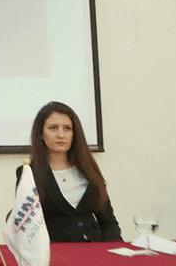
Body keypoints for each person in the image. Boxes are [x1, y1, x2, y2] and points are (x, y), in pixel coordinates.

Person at [18, 101, 121, 242]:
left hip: (94, 248)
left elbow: (109, 222)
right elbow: (26, 223)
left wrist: (112, 250)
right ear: (41, 133)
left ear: (74, 133)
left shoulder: (88, 169)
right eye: (53, 128)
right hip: (54, 250)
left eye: (67, 128)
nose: (61, 135)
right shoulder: (29, 173)